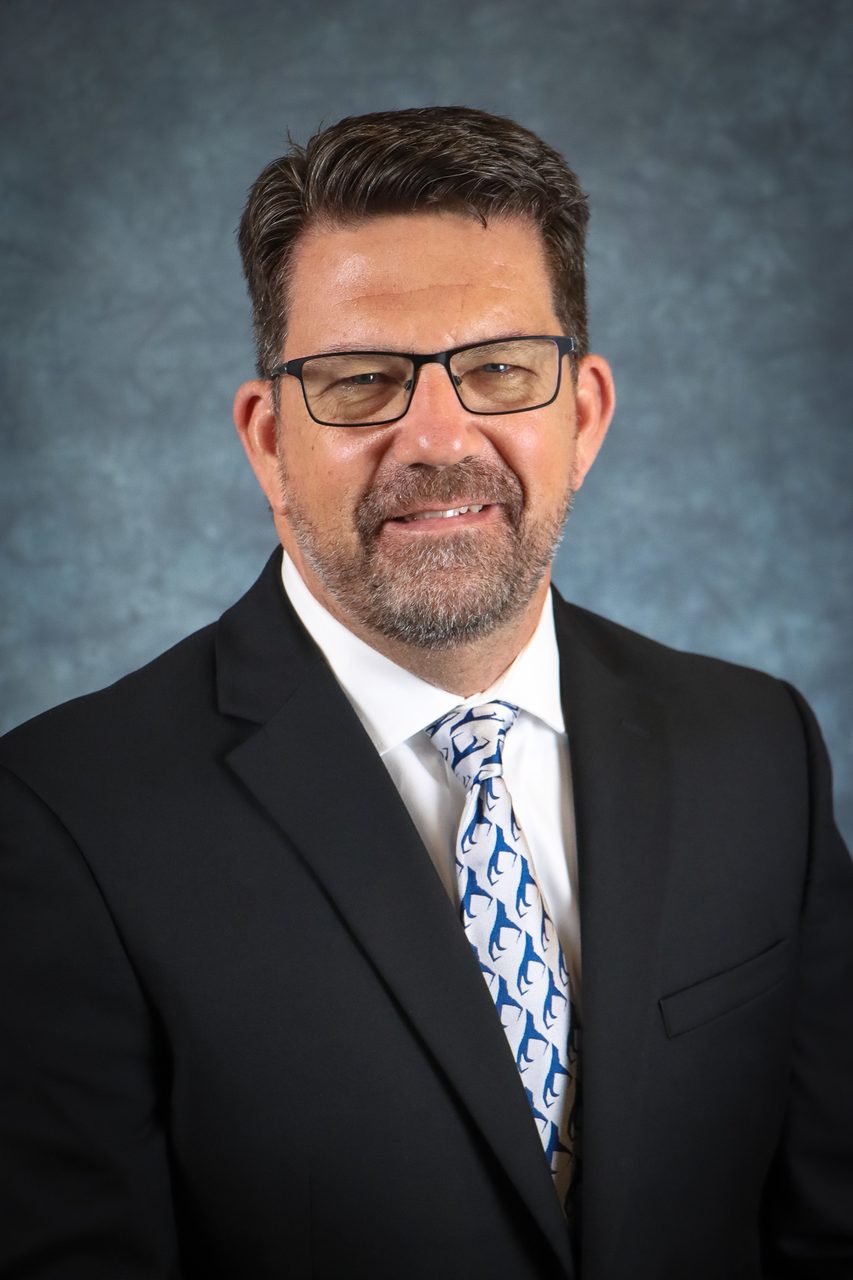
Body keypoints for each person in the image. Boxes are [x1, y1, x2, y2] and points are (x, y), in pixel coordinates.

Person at [1, 106, 851, 1280]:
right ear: (266, 438)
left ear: (584, 414)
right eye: (360, 380)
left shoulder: (758, 748)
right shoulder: (60, 818)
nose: (437, 437)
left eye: (500, 368)